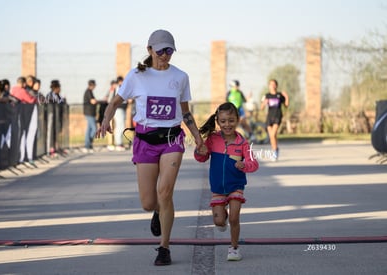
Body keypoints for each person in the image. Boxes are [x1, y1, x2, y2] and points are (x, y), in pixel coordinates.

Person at [97, 29, 203, 266]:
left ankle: (164, 247)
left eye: (169, 50)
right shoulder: (136, 76)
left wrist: (197, 137)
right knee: (148, 202)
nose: (165, 55)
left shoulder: (181, 77)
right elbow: (115, 102)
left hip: (172, 140)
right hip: (145, 140)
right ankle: (158, 211)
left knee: (165, 192)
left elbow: (185, 112)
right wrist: (106, 119)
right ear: (149, 50)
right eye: (161, 50)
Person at [194, 102, 259, 261]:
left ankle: (234, 248)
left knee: (234, 218)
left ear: (237, 120)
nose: (227, 124)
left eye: (231, 120)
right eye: (223, 121)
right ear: (218, 121)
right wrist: (199, 151)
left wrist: (244, 165)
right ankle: (223, 218)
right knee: (219, 221)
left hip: (235, 186)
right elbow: (202, 157)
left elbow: (254, 163)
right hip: (217, 188)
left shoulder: (242, 143)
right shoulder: (212, 139)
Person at [260, 79, 289, 161]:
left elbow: (286, 105)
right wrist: (264, 103)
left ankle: (274, 152)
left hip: (277, 116)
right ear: (268, 86)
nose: (272, 86)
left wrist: (286, 97)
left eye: (274, 84)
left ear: (276, 85)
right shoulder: (266, 95)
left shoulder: (279, 95)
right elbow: (261, 108)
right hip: (269, 117)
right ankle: (275, 150)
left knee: (273, 135)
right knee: (272, 136)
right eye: (270, 84)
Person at [83, 79, 98, 151]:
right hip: (89, 113)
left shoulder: (90, 92)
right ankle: (88, 143)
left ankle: (87, 145)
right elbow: (93, 101)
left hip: (91, 113)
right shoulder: (88, 92)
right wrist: (100, 101)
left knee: (89, 130)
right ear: (92, 85)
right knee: (94, 129)